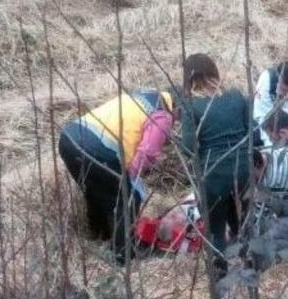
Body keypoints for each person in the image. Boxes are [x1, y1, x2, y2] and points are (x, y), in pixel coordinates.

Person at [58, 88, 175, 263]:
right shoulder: (162, 115)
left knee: (97, 191)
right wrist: (133, 180)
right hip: (95, 148)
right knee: (128, 199)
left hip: (69, 138)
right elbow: (147, 154)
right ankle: (122, 256)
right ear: (177, 107)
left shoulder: (141, 97)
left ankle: (100, 236)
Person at [179, 53, 251, 277]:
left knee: (216, 228)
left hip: (213, 172)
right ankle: (250, 264)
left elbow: (189, 147)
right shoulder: (237, 96)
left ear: (188, 78)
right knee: (240, 220)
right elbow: (253, 136)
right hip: (243, 170)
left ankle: (220, 274)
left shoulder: (192, 106)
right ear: (214, 72)